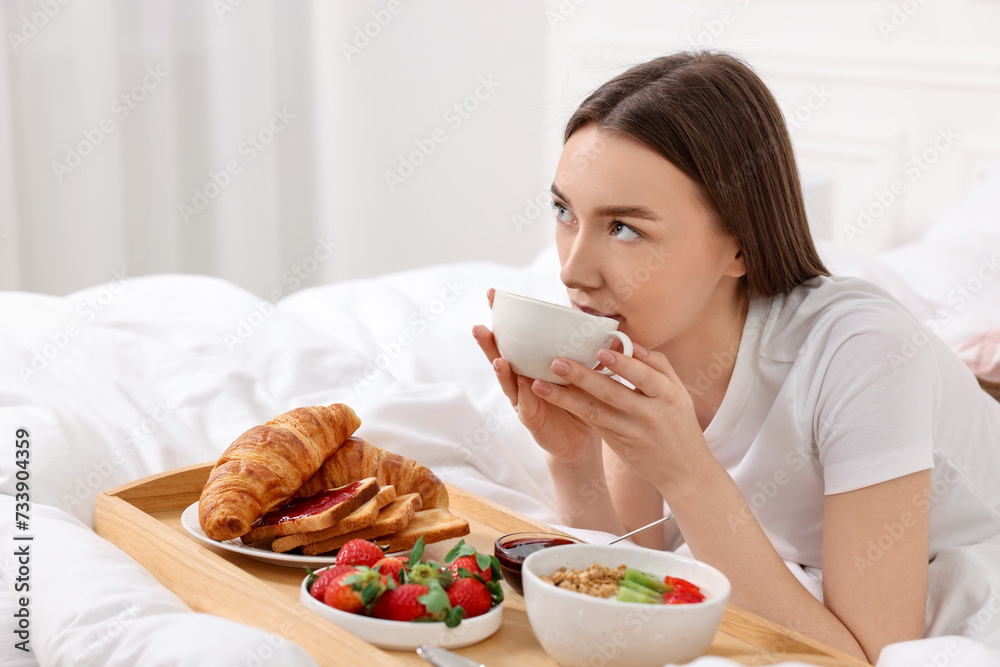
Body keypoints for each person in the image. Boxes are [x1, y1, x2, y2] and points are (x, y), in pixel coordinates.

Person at [472, 51, 1000, 663]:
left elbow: (867, 656)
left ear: (739, 247)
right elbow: (631, 565)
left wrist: (688, 473)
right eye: (565, 212)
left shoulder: (865, 354)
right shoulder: (639, 338)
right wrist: (572, 458)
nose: (571, 269)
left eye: (623, 228)